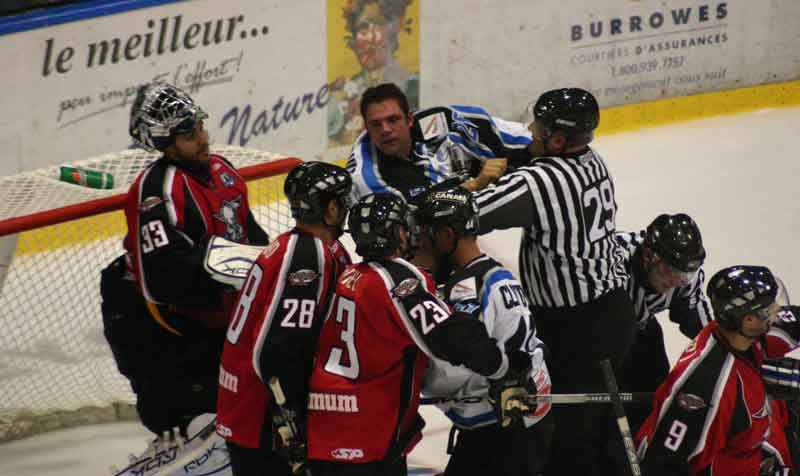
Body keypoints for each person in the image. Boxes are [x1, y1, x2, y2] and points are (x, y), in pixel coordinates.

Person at [305, 193, 537, 476]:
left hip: (323, 423)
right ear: (397, 233)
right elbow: (449, 336)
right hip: (366, 429)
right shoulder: (394, 278)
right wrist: (504, 369)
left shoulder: (349, 275)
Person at [471, 87, 637, 476]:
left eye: (539, 126)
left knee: (567, 438)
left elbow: (468, 215)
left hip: (576, 329)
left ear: (558, 140)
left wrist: (476, 183)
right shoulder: (593, 161)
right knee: (592, 428)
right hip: (610, 310)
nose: (531, 130)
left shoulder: (540, 181)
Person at [100, 82, 270, 439]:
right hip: (155, 321)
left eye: (200, 127)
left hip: (208, 312)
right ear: (166, 142)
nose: (203, 138)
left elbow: (251, 235)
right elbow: (163, 281)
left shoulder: (223, 170)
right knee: (186, 421)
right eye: (190, 134)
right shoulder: (157, 190)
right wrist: (228, 281)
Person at [215, 161, 353, 476]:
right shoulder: (308, 256)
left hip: (247, 406)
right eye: (343, 200)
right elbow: (278, 352)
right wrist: (292, 420)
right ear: (331, 208)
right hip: (260, 419)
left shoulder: (300, 245)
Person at [415, 186, 553, 476]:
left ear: (446, 236)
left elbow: (456, 365)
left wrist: (414, 379)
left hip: (499, 432)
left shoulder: (466, 288)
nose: (420, 244)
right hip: (522, 423)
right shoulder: (496, 274)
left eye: (426, 235)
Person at [636, 265, 799, 475]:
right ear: (749, 320)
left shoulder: (741, 332)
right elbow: (663, 466)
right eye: (771, 308)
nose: (778, 311)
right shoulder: (707, 389)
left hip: (753, 450)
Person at [346, 82, 532, 202]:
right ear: (366, 127)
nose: (385, 130)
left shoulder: (442, 121)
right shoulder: (366, 176)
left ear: (409, 119)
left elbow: (523, 141)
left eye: (393, 120)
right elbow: (415, 219)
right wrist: (476, 184)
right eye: (376, 124)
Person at [615, 213, 712, 432]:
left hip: (639, 327)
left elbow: (705, 329)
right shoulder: (614, 259)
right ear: (649, 256)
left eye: (684, 274)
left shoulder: (684, 277)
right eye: (670, 271)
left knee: (656, 387)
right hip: (598, 329)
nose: (677, 281)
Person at [327, 0, 418, 147]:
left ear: (394, 31)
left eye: (378, 26)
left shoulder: (412, 84)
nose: (370, 38)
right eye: (362, 29)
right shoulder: (340, 93)